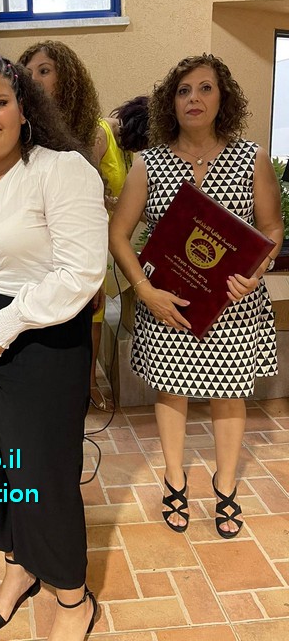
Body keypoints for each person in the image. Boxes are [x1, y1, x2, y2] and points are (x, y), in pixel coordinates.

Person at [0, 53, 108, 640]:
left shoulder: (61, 170)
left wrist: (8, 323)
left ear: (24, 108)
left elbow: (82, 271)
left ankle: (73, 595)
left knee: (42, 471)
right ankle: (18, 565)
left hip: (43, 339)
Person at [109, 54, 283, 537]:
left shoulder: (251, 158)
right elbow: (119, 234)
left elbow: (272, 228)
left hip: (233, 304)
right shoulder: (149, 163)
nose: (194, 98)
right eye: (183, 90)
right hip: (168, 304)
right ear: (171, 102)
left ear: (223, 98)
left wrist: (257, 269)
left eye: (205, 88)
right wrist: (144, 290)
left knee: (230, 395)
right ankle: (174, 479)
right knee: (172, 391)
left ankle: (225, 486)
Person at [19, 40, 125, 411]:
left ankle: (86, 384)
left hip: (80, 249)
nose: (34, 79)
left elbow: (106, 196)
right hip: (33, 253)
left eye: (44, 71)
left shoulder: (92, 133)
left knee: (87, 318)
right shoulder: (18, 132)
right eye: (28, 73)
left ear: (67, 79)